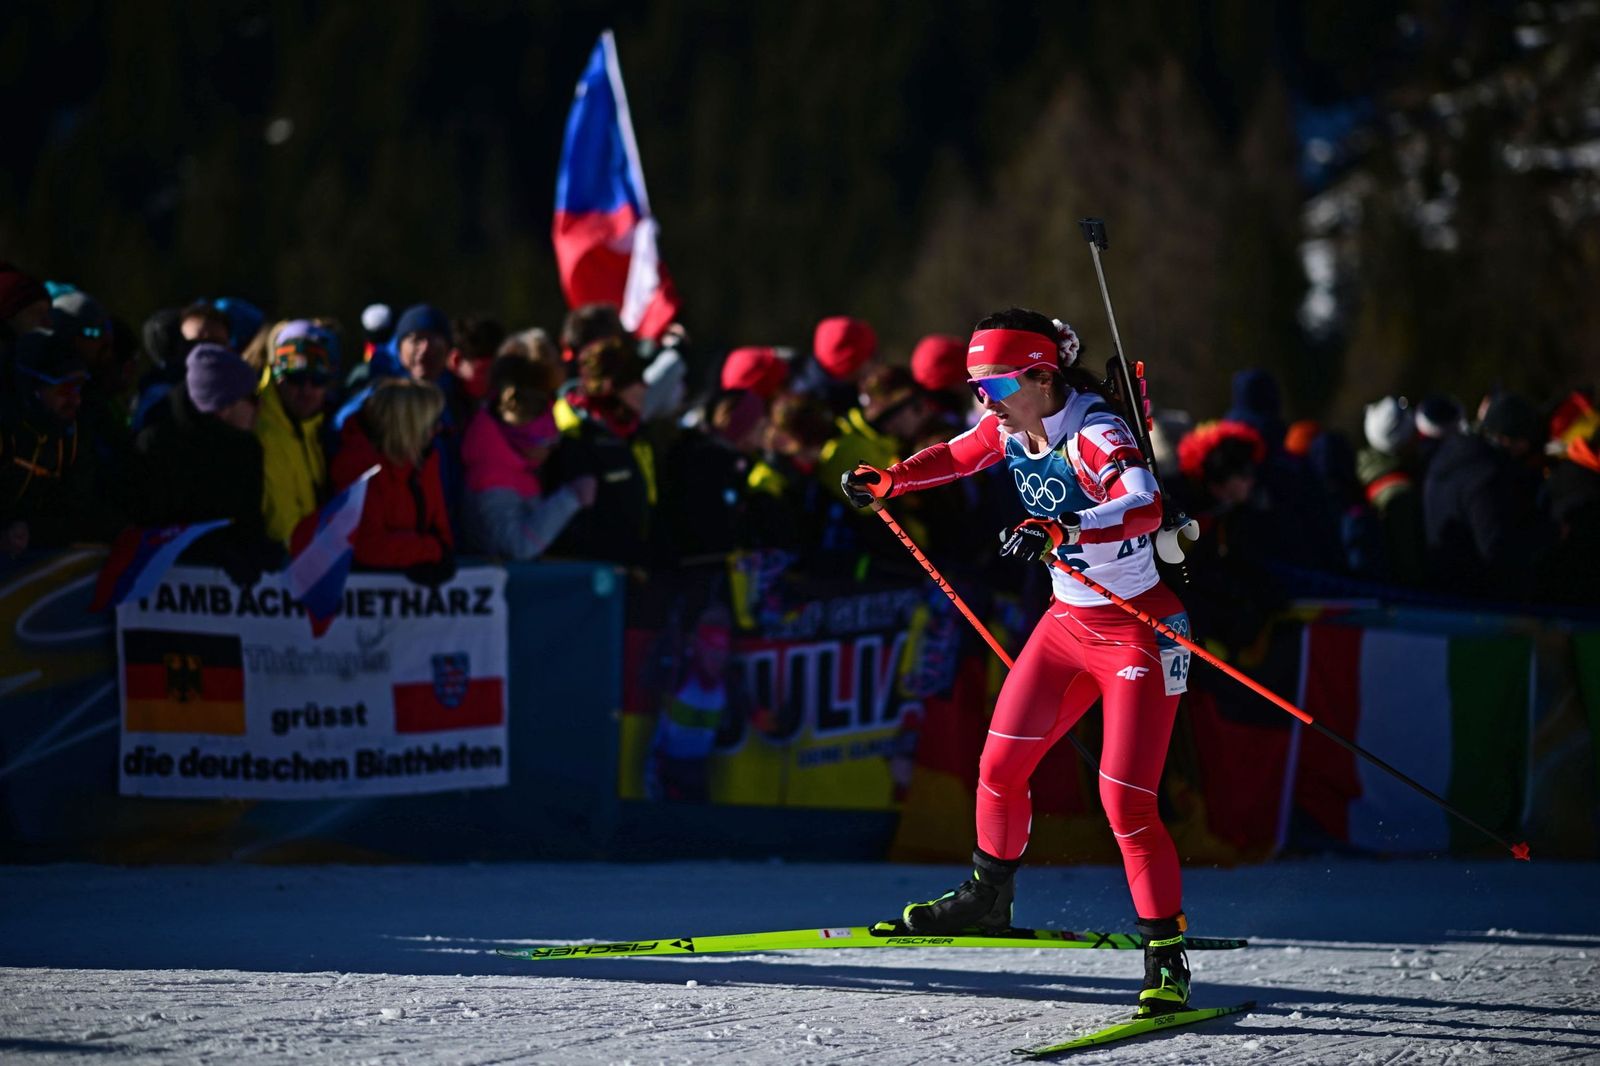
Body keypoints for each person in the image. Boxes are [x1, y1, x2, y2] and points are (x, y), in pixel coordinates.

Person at [841, 307, 1194, 1018]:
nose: (986, 399)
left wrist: (1064, 527)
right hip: (1066, 625)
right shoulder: (1009, 425)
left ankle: (1166, 953)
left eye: (997, 385)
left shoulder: (1095, 432)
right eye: (977, 387)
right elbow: (957, 455)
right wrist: (891, 480)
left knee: (1125, 801)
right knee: (999, 768)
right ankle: (987, 895)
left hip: (1138, 630)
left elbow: (1144, 504)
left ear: (1042, 377)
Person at [131, 344, 283, 585]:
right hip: (171, 587)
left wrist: (258, 548)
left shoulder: (248, 449)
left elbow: (248, 519)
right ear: (223, 407)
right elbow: (151, 526)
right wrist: (212, 552)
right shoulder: (157, 446)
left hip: (222, 596)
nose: (260, 407)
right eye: (252, 398)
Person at [459, 352, 596, 560]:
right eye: (547, 442)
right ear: (522, 440)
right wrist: (570, 498)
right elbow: (517, 547)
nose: (553, 448)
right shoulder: (492, 478)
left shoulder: (517, 466)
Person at [330, 378, 455, 584]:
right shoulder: (360, 467)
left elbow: (439, 529)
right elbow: (367, 546)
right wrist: (430, 551)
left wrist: (440, 551)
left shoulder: (425, 460)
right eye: (431, 423)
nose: (438, 429)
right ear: (408, 427)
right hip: (370, 587)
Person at [256, 320, 335, 545]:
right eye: (295, 378)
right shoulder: (262, 430)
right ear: (278, 378)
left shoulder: (317, 427)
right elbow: (281, 524)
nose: (306, 390)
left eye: (317, 380)